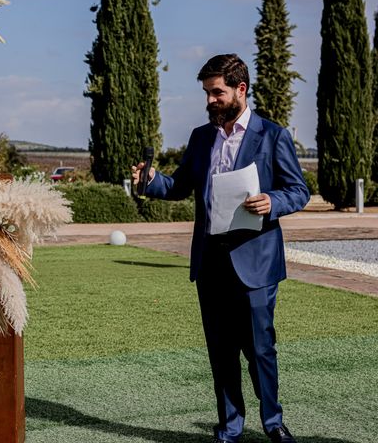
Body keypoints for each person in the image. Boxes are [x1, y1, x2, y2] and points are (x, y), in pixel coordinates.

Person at [132, 54, 308, 443]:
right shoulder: (201, 137)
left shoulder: (273, 136)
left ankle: (274, 423)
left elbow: (299, 190)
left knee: (261, 349)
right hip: (210, 261)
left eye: (217, 92)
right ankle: (230, 427)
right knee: (221, 351)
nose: (210, 100)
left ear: (240, 90)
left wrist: (272, 202)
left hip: (256, 262)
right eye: (207, 93)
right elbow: (178, 187)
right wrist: (150, 180)